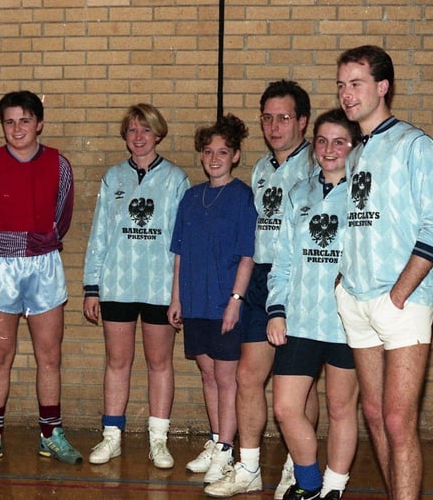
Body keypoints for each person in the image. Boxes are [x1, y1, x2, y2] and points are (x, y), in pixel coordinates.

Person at [204, 80, 317, 499]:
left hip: (300, 282)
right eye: (267, 117)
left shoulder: (314, 164)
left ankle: (296, 463)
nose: (274, 126)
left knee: (298, 381)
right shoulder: (261, 169)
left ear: (302, 121)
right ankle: (248, 466)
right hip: (259, 281)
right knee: (249, 376)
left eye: (283, 117)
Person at [334, 45, 433, 500]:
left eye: (356, 84)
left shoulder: (415, 145)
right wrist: (343, 282)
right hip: (356, 301)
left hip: (402, 301)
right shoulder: (355, 154)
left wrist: (399, 293)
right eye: (341, 85)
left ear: (382, 87)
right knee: (373, 414)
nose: (347, 94)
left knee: (397, 419)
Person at [0, 90, 82, 468]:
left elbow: (61, 219)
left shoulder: (59, 165)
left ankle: (51, 434)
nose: (17, 128)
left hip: (43, 264)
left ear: (39, 124)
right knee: (0, 356)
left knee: (49, 357)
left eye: (25, 120)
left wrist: (40, 239)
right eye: (10, 121)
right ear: (3, 125)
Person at [82, 104, 188, 469]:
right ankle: (111, 436)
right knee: (117, 361)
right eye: (132, 130)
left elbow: (181, 242)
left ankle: (158, 440)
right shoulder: (113, 177)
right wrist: (92, 286)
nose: (139, 137)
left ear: (158, 134)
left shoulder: (176, 179)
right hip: (118, 285)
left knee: (159, 363)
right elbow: (100, 233)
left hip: (159, 285)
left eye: (145, 130)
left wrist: (178, 292)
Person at [266, 109, 361, 500]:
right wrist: (277, 309)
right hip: (300, 320)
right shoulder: (298, 193)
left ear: (354, 146)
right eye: (322, 141)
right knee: (286, 408)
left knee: (341, 409)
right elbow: (283, 259)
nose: (329, 149)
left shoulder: (363, 195)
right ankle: (308, 483)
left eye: (339, 141)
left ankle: (334, 489)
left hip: (346, 322)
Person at [168, 114, 257, 485]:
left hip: (224, 301)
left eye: (223, 152)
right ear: (201, 156)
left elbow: (247, 254)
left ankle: (226, 448)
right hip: (194, 300)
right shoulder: (190, 197)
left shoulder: (242, 197)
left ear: (236, 155)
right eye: (208, 151)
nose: (215, 158)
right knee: (207, 373)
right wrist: (176, 299)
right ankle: (216, 440)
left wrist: (235, 300)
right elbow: (180, 254)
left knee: (226, 377)